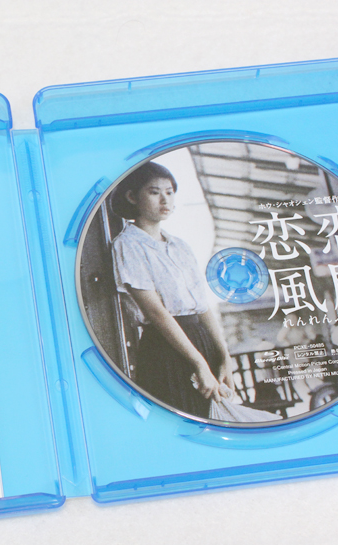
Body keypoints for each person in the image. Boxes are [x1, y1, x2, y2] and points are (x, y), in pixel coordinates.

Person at [110, 161, 275, 423]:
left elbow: (203, 305)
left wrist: (224, 356)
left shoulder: (180, 246)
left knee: (218, 418)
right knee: (185, 422)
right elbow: (156, 312)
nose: (165, 199)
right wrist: (198, 364)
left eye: (169, 192)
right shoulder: (127, 245)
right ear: (132, 197)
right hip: (165, 349)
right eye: (154, 192)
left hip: (202, 341)